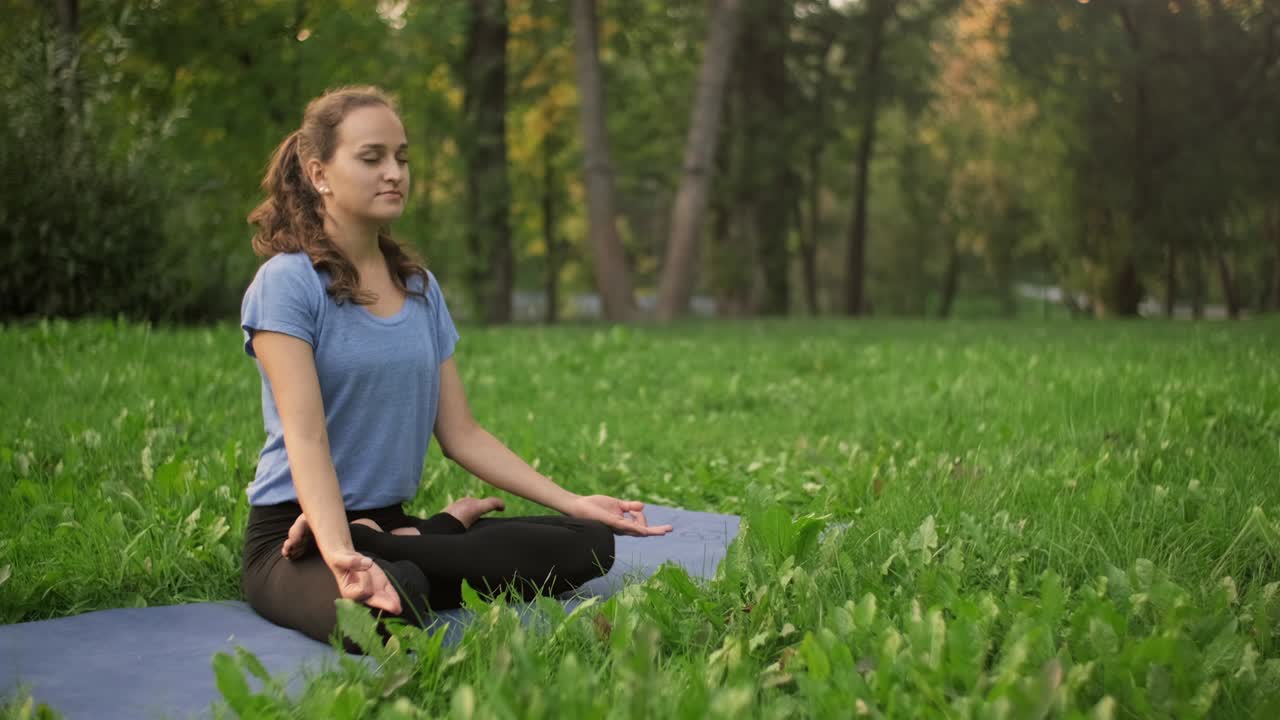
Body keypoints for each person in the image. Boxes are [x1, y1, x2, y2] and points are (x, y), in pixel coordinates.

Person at [238, 85, 671, 647]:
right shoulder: (287, 284)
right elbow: (307, 438)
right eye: (372, 158)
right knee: (389, 610)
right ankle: (412, 545)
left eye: (401, 157)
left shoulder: (418, 288)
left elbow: (462, 433)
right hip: (294, 538)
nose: (394, 171)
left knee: (588, 542)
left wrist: (573, 500)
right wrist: (341, 548)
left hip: (390, 528)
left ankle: (407, 541)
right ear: (319, 173)